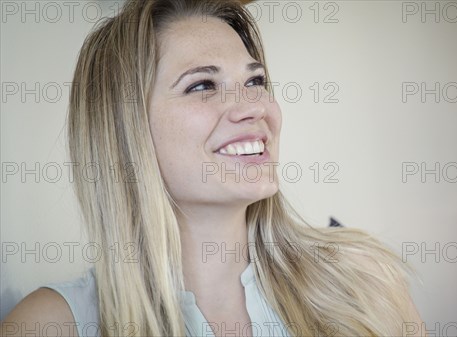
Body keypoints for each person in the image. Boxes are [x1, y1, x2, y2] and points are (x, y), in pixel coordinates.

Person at [1, 1, 425, 336]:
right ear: (123, 129)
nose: (256, 107)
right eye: (202, 85)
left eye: (255, 81)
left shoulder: (362, 280)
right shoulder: (49, 324)